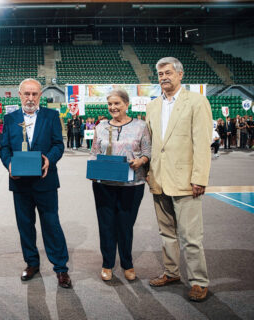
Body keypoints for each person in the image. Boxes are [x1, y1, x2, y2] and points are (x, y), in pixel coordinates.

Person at [146, 57, 212, 302]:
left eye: (168, 72)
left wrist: (199, 178)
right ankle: (172, 272)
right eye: (160, 73)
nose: (163, 77)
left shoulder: (197, 102)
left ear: (180, 75)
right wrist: (149, 173)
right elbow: (153, 144)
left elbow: (202, 144)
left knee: (192, 237)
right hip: (159, 179)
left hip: (186, 180)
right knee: (166, 233)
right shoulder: (152, 106)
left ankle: (199, 281)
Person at [0, 78, 72, 289]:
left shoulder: (51, 116)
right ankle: (31, 263)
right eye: (27, 94)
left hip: (45, 180)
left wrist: (50, 158)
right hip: (20, 182)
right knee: (25, 226)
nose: (30, 98)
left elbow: (59, 144)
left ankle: (61, 268)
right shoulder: (10, 118)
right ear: (19, 94)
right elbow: (4, 149)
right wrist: (9, 164)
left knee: (51, 224)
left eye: (35, 94)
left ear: (40, 95)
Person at [90, 88, 151, 281]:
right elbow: (94, 152)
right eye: (110, 104)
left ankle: (127, 264)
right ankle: (107, 264)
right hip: (104, 184)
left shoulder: (141, 126)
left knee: (125, 225)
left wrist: (140, 161)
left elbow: (148, 152)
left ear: (126, 104)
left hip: (132, 184)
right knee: (106, 225)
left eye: (117, 103)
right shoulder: (100, 126)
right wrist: (93, 169)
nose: (113, 107)